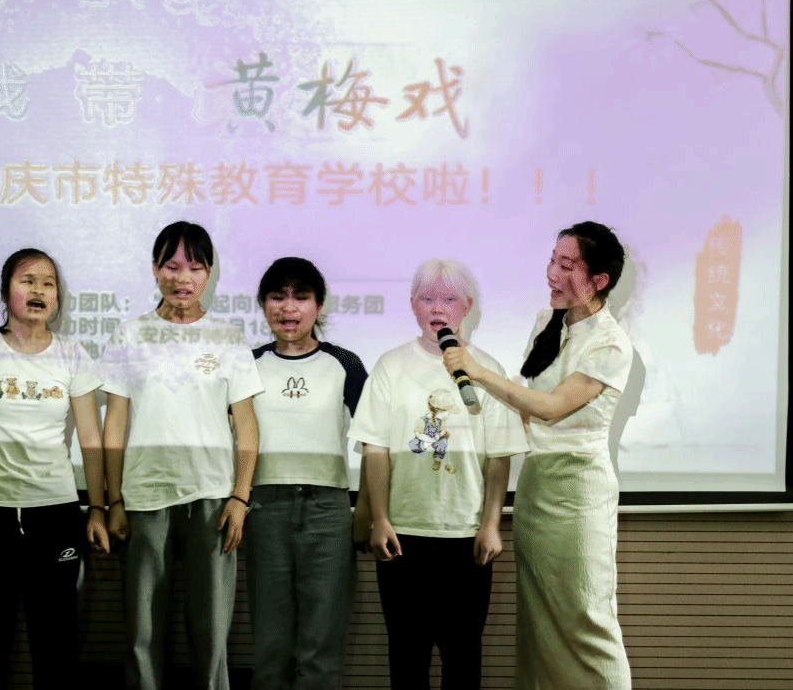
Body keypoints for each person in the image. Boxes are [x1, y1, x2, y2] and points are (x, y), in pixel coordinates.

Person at [441, 221, 633, 689]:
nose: (552, 273)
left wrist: (477, 371)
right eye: (552, 259)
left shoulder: (610, 342)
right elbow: (528, 407)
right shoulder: (547, 321)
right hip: (536, 485)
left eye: (567, 265)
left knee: (586, 616)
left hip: (579, 490)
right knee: (539, 621)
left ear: (600, 280)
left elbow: (550, 408)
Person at [0, 247, 109, 689]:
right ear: (5, 291)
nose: (38, 291)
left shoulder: (73, 356)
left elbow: (91, 440)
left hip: (56, 515)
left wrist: (98, 508)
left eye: (48, 283)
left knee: (56, 645)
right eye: (27, 280)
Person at [349, 259, 528, 690]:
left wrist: (490, 524)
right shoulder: (391, 366)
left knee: (462, 655)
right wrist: (380, 519)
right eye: (427, 298)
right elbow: (376, 449)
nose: (437, 308)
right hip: (402, 535)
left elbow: (498, 458)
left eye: (449, 298)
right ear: (413, 305)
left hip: (465, 537)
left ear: (467, 306)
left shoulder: (485, 369)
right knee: (406, 655)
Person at [101, 221, 263, 690]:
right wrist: (114, 500)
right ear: (155, 270)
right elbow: (115, 425)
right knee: (142, 631)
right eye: (171, 266)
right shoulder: (130, 336)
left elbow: (246, 425)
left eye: (194, 267)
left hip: (213, 497)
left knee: (211, 633)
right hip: (145, 495)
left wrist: (240, 497)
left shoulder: (227, 338)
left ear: (209, 273)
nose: (182, 278)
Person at [247, 257, 369, 690]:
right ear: (262, 304)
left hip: (327, 511)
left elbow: (375, 442)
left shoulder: (345, 364)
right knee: (271, 641)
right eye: (276, 297)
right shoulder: (247, 364)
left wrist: (368, 510)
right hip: (264, 509)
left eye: (300, 297)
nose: (288, 308)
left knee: (322, 641)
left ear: (319, 305)